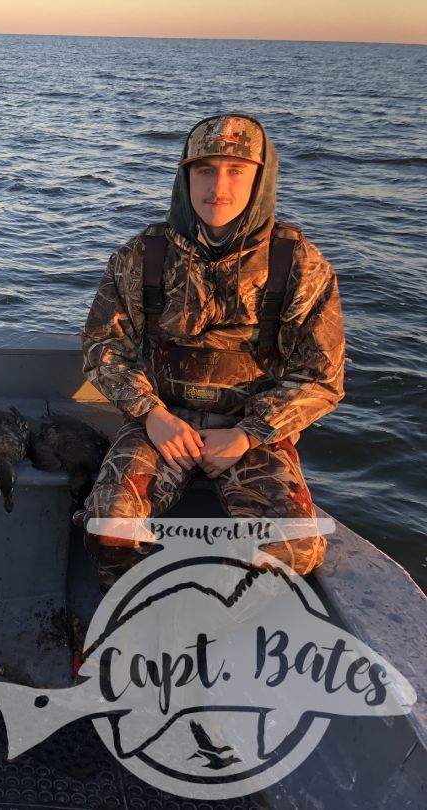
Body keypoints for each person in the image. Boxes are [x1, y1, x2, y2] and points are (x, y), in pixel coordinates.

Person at [80, 114, 345, 592]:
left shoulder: (298, 262)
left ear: (261, 178)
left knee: (295, 547)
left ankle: (221, 619)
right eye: (204, 170)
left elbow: (322, 378)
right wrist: (152, 414)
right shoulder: (142, 256)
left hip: (251, 433)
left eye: (235, 170)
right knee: (106, 528)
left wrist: (248, 433)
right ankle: (136, 615)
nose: (217, 186)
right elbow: (104, 350)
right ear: (186, 178)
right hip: (162, 423)